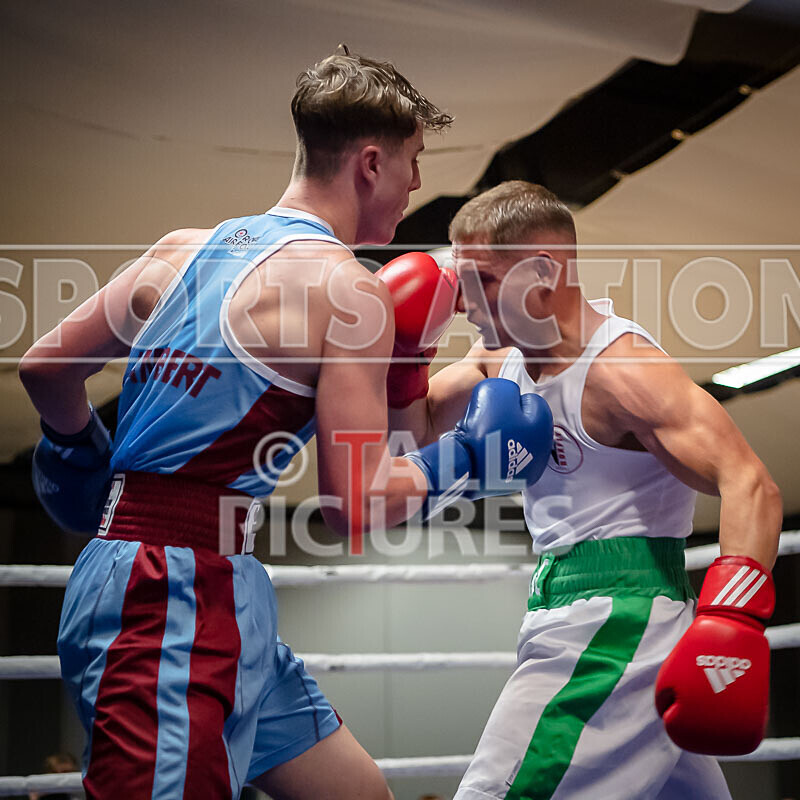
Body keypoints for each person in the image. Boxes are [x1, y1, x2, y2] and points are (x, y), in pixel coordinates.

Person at [19, 50, 553, 800]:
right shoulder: (347, 293)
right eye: (414, 161)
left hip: (206, 586)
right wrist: (472, 455)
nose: (419, 184)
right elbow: (355, 504)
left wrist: (78, 451)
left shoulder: (179, 249)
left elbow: (47, 369)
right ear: (370, 164)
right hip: (169, 598)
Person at [389, 180, 783, 799]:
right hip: (571, 608)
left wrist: (729, 622)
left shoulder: (624, 369)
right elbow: (408, 438)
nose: (463, 303)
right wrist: (402, 355)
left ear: (543, 271)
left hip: (618, 619)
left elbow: (750, 483)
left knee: (498, 792)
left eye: (481, 281)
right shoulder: (504, 360)